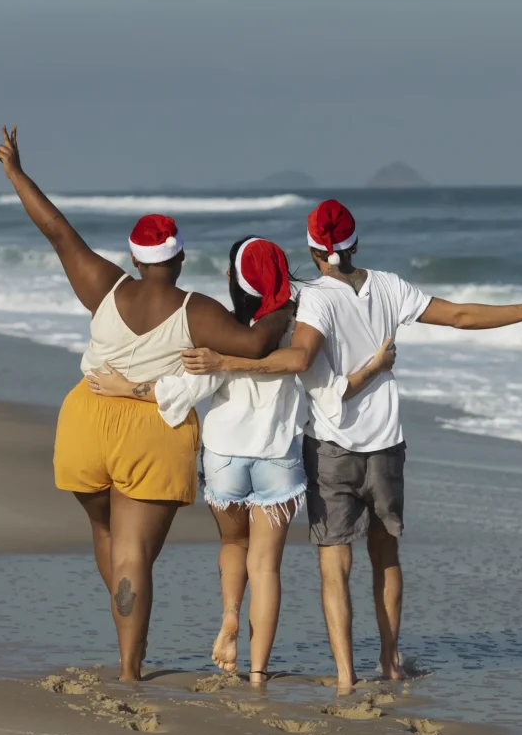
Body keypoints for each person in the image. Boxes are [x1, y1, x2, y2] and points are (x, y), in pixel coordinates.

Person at [180, 199, 522, 694]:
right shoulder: (390, 287)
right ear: (355, 243)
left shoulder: (314, 300)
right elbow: (460, 316)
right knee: (385, 557)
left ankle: (346, 676)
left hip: (330, 448)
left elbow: (298, 359)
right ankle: (389, 662)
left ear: (311, 247)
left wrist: (224, 362)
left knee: (334, 566)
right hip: (386, 444)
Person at [0, 127, 291, 682]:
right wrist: (284, 304)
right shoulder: (194, 309)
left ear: (134, 256)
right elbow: (255, 345)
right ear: (179, 259)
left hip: (85, 419)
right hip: (152, 426)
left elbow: (56, 230)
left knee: (106, 534)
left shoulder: (104, 286)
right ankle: (131, 669)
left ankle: (123, 637)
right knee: (134, 555)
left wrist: (15, 172)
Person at [88, 236, 397, 685]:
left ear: (236, 280)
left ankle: (230, 616)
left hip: (224, 458)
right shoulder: (296, 333)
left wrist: (127, 389)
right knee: (266, 567)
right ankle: (256, 671)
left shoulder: (225, 333)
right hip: (278, 459)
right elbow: (328, 392)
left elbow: (186, 389)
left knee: (233, 546)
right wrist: (374, 367)